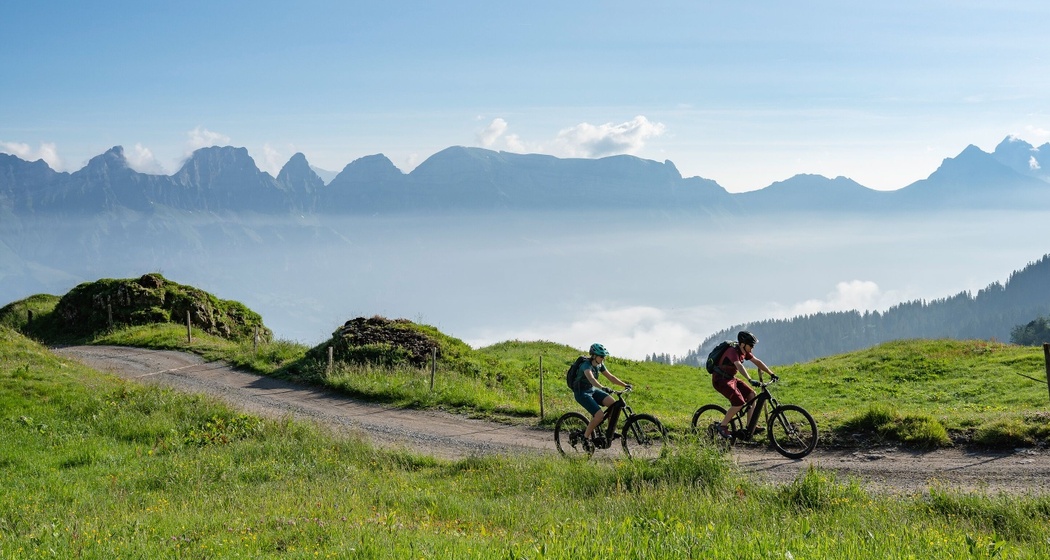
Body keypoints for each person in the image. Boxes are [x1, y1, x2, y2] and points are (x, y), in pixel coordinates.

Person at [711, 330, 777, 439]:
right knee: (739, 403)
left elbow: (757, 362)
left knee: (751, 394)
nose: (753, 347)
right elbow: (739, 366)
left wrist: (772, 373)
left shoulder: (744, 351)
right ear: (742, 344)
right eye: (751, 345)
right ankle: (722, 426)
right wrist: (750, 379)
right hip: (720, 380)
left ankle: (750, 426)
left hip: (730, 378)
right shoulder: (732, 351)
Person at [573, 343, 631, 444]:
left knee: (613, 405)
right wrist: (603, 387)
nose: (603, 358)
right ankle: (585, 438)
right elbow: (591, 379)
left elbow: (611, 377)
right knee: (599, 415)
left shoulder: (599, 364)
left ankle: (610, 432)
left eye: (604, 356)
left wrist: (625, 385)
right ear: (594, 356)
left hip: (591, 390)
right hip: (581, 393)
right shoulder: (585, 365)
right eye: (601, 356)